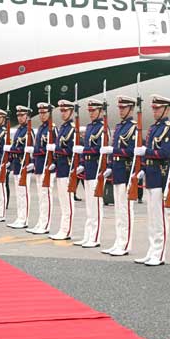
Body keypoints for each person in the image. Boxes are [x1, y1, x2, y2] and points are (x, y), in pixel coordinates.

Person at [133, 95, 170, 266]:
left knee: (159, 217)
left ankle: (159, 253)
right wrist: (143, 167)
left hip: (160, 176)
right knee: (152, 217)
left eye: (158, 108)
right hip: (150, 174)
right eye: (154, 108)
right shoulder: (153, 128)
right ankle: (152, 250)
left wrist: (146, 152)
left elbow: (165, 153)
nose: (155, 111)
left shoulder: (168, 129)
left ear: (166, 109)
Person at [100, 95, 136, 256]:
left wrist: (114, 151)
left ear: (131, 109)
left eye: (124, 108)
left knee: (125, 210)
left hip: (127, 173)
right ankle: (118, 241)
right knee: (118, 211)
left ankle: (125, 244)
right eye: (120, 108)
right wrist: (109, 167)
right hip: (117, 172)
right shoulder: (119, 126)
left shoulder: (134, 127)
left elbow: (132, 152)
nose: (121, 110)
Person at [73, 99, 105, 247]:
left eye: (94, 111)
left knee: (96, 207)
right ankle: (88, 235)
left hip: (96, 170)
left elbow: (101, 150)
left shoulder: (102, 128)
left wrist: (84, 150)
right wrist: (81, 165)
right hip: (88, 171)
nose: (91, 113)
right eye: (90, 111)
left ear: (100, 111)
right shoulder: (91, 127)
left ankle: (95, 237)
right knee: (89, 207)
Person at [48, 100, 77, 240]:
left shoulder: (72, 128)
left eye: (65, 111)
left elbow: (72, 150)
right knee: (62, 201)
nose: (63, 113)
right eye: (61, 111)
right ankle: (63, 228)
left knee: (67, 201)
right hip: (60, 168)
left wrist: (57, 149)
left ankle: (66, 230)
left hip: (67, 169)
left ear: (71, 111)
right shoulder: (63, 128)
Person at [26, 103, 56, 234]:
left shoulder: (52, 129)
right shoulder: (41, 128)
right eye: (41, 113)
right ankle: (40, 222)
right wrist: (33, 161)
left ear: (50, 113)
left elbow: (55, 148)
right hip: (39, 165)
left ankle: (45, 224)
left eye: (45, 113)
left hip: (46, 166)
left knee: (46, 196)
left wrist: (53, 162)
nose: (42, 115)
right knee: (40, 197)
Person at [4, 106, 33, 229]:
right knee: (18, 193)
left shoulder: (28, 130)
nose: (20, 118)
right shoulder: (19, 130)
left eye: (22, 115)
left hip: (23, 164)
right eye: (19, 116)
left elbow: (31, 149)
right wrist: (9, 160)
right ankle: (19, 217)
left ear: (27, 116)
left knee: (23, 193)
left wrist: (13, 149)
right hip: (16, 164)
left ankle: (24, 219)